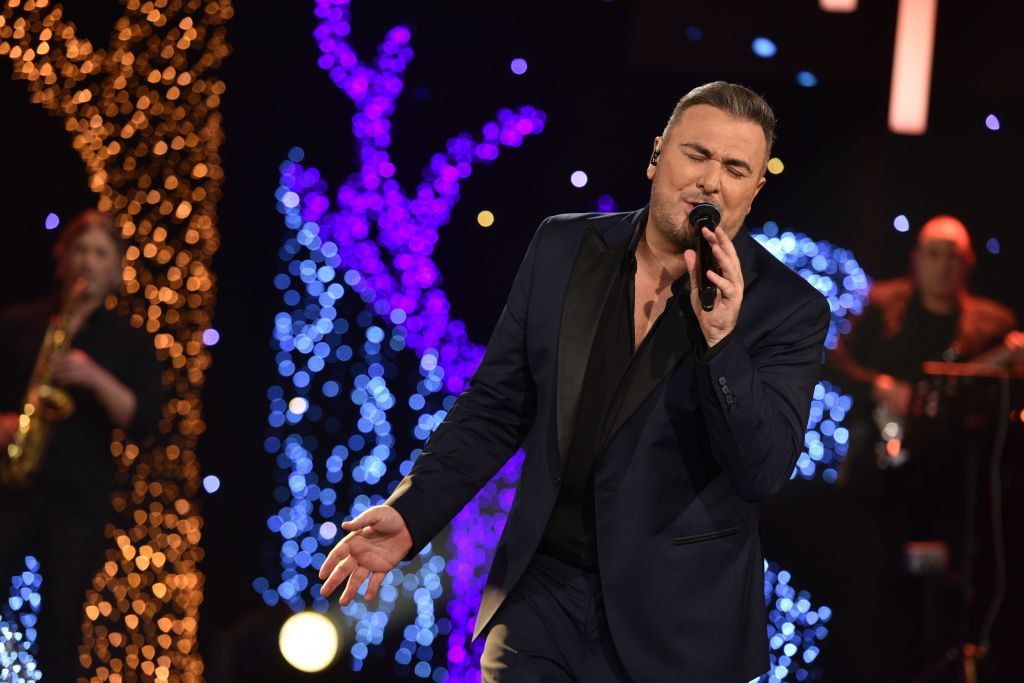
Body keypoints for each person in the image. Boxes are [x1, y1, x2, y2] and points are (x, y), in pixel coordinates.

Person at [318, 81, 830, 681]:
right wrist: (413, 513)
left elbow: (760, 471)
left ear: (754, 190)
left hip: (677, 627)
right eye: (697, 155)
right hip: (541, 597)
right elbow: (497, 404)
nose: (711, 181)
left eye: (735, 169)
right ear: (657, 155)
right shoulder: (563, 246)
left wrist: (722, 344)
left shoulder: (789, 309)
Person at [812, 214, 1022, 680]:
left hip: (959, 484)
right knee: (882, 594)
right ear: (916, 259)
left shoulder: (994, 323)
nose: (943, 266)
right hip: (885, 483)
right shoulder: (881, 305)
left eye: (953, 256)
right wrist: (881, 386)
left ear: (968, 264)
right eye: (934, 254)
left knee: (954, 595)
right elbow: (834, 360)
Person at [0, 209, 164, 680]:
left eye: (100, 253)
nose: (88, 261)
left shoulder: (128, 342)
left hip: (78, 500)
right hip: (10, 489)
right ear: (63, 257)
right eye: (81, 250)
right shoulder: (18, 323)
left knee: (61, 622)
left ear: (115, 268)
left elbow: (144, 421)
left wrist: (94, 375)